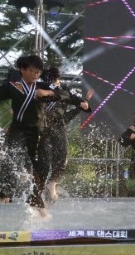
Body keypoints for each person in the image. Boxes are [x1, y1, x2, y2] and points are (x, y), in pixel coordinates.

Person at [0, 54, 70, 217]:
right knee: (12, 155)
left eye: (38, 72)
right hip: (19, 130)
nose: (35, 75)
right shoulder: (13, 86)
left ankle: (36, 201)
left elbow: (66, 94)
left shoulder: (42, 86)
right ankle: (5, 193)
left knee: (42, 167)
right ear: (22, 70)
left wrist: (46, 93)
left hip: (38, 132)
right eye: (31, 71)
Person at [37, 66, 93, 201]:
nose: (55, 83)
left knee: (62, 156)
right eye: (51, 81)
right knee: (44, 161)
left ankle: (52, 183)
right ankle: (39, 189)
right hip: (43, 127)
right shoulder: (40, 88)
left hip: (58, 125)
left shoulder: (64, 90)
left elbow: (74, 100)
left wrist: (84, 102)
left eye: (56, 80)